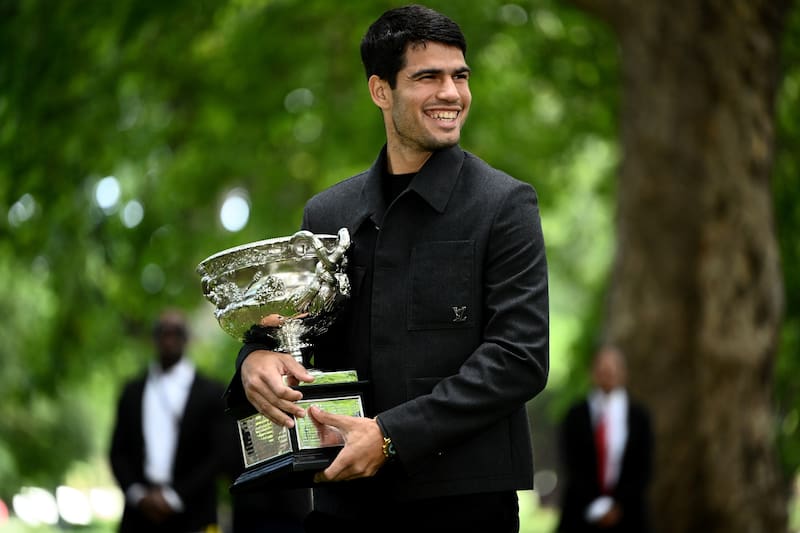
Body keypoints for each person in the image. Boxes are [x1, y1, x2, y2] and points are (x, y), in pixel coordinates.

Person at [229, 4, 549, 532]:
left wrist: (390, 436)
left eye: (460, 76)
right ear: (381, 90)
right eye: (428, 77)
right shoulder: (328, 214)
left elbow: (519, 358)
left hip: (465, 508)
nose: (452, 93)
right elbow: (291, 332)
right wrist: (254, 360)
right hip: (345, 506)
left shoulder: (505, 205)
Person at [109, 309, 234, 533]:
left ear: (187, 338)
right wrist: (138, 495)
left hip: (194, 512)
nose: (169, 338)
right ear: (153, 338)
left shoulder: (211, 392)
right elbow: (118, 451)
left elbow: (220, 453)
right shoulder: (132, 392)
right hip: (139, 515)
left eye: (176, 332)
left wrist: (174, 496)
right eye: (162, 332)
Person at [556, 346, 653, 532]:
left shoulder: (639, 417)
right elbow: (571, 462)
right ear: (592, 372)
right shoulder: (575, 415)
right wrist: (597, 507)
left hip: (629, 514)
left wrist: (617, 505)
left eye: (613, 368)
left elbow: (643, 467)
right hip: (580, 513)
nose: (608, 373)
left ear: (624, 373)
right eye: (602, 368)